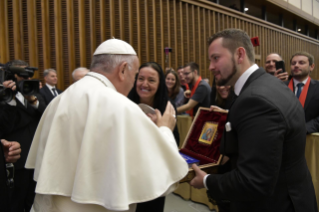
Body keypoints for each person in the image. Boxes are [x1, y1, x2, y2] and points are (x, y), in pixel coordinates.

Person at [25, 38, 188, 212]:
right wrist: (165, 129)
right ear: (123, 69)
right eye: (135, 77)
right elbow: (162, 177)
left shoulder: (59, 100)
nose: (133, 84)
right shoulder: (120, 106)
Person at [190, 29, 317, 212]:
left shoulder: (255, 100)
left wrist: (206, 180)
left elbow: (253, 181)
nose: (210, 66)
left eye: (216, 58)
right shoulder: (267, 84)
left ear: (239, 54)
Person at [128, 62, 181, 212]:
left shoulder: (167, 107)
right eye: (140, 79)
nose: (144, 84)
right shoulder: (125, 103)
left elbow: (174, 142)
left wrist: (160, 128)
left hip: (154, 176)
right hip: (130, 173)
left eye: (151, 80)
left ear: (160, 84)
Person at [0, 60, 47, 212]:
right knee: (15, 202)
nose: (26, 77)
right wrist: (9, 98)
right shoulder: (4, 95)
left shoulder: (31, 91)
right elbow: (6, 125)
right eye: (21, 74)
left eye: (27, 73)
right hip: (16, 159)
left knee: (33, 200)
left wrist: (32, 100)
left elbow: (46, 114)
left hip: (35, 156)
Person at [287, 51, 319, 133]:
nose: (296, 65)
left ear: (311, 67)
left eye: (301, 63)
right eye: (293, 63)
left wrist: (303, 129)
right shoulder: (279, 86)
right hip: (283, 136)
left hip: (308, 138)